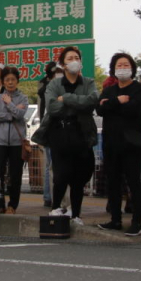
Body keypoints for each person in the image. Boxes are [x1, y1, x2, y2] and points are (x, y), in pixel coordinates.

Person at [40, 47, 98, 225]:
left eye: (76, 57)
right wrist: (76, 102)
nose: (74, 60)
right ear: (63, 64)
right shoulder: (54, 84)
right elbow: (52, 108)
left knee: (79, 176)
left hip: (82, 132)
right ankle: (56, 208)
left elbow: (91, 101)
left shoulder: (88, 82)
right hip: (60, 132)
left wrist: (65, 98)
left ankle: (76, 214)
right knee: (61, 174)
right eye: (70, 58)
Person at [96, 52, 141, 236]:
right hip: (111, 143)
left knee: (134, 182)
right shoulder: (110, 90)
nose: (123, 68)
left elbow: (136, 110)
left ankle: (137, 221)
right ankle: (115, 220)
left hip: (131, 145)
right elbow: (100, 109)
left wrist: (111, 106)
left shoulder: (137, 89)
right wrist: (118, 101)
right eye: (119, 65)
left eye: (126, 65)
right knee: (114, 182)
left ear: (132, 68)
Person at [0, 66, 28, 214]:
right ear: (3, 81)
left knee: (15, 174)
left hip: (17, 142)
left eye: (13, 79)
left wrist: (9, 104)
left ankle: (13, 205)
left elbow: (20, 114)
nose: (10, 82)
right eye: (7, 80)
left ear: (17, 80)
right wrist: (11, 112)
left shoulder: (23, 97)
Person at [36, 62, 59, 207]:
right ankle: (48, 196)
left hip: (53, 129)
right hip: (50, 129)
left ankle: (50, 196)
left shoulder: (46, 86)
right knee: (50, 165)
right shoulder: (46, 87)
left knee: (51, 165)